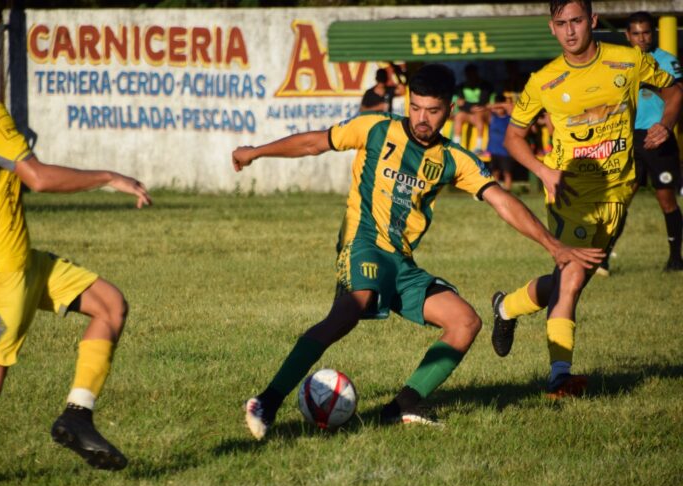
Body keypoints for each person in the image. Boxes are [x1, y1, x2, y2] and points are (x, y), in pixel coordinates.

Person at [232, 63, 604, 440]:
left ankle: (402, 406)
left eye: (433, 110)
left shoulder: (453, 159)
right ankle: (267, 401)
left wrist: (554, 246)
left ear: (450, 107)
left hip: (401, 261)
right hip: (363, 243)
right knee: (350, 309)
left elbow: (502, 201)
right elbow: (314, 142)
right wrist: (256, 152)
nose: (422, 119)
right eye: (416, 107)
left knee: (465, 322)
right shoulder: (376, 128)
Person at [0, 5, 151, 470]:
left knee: (109, 304)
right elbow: (37, 177)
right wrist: (108, 176)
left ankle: (77, 415)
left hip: (10, 257)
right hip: (0, 267)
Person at [491, 0, 682, 398]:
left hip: (618, 192)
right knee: (573, 277)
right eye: (561, 24)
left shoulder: (628, 60)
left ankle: (506, 307)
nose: (570, 31)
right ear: (552, 28)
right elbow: (513, 137)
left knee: (569, 280)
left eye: (576, 21)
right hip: (570, 195)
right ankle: (560, 377)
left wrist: (665, 124)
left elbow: (674, 90)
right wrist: (543, 171)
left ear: (592, 20)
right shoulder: (544, 80)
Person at [614, 11, 682, 272]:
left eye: (646, 32)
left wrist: (665, 126)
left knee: (666, 199)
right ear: (627, 35)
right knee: (621, 199)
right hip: (628, 138)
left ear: (652, 33)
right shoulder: (620, 63)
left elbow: (678, 96)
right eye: (636, 33)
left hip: (657, 136)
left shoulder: (666, 61)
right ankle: (602, 258)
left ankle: (675, 258)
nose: (642, 38)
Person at [452, 64, 495, 155]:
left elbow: (483, 102)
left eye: (473, 74)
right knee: (459, 115)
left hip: (483, 113)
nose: (471, 77)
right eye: (468, 74)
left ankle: (479, 147)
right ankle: (456, 144)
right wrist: (471, 107)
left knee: (479, 114)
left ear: (477, 74)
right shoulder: (461, 87)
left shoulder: (485, 86)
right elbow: (460, 104)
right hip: (470, 113)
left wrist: (467, 105)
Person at [485, 99, 515, 190]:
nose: (499, 109)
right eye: (497, 108)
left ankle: (508, 191)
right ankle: (496, 190)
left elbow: (512, 107)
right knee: (495, 172)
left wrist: (502, 104)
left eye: (501, 108)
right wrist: (497, 105)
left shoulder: (509, 118)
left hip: (506, 151)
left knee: (507, 173)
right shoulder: (492, 118)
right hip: (494, 151)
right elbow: (486, 107)